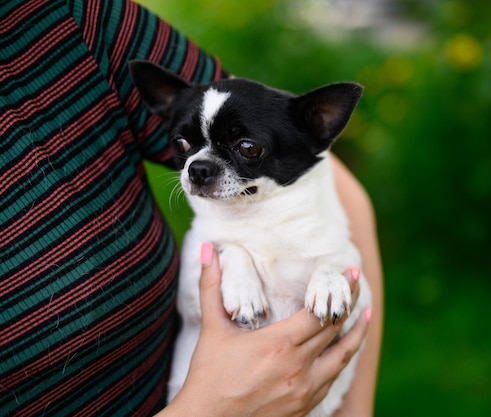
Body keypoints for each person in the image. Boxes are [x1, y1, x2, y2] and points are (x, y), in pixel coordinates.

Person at [0, 0, 383, 416]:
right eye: (185, 147)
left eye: (246, 149)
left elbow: (351, 302)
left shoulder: (72, 18)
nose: (197, 167)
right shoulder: (213, 238)